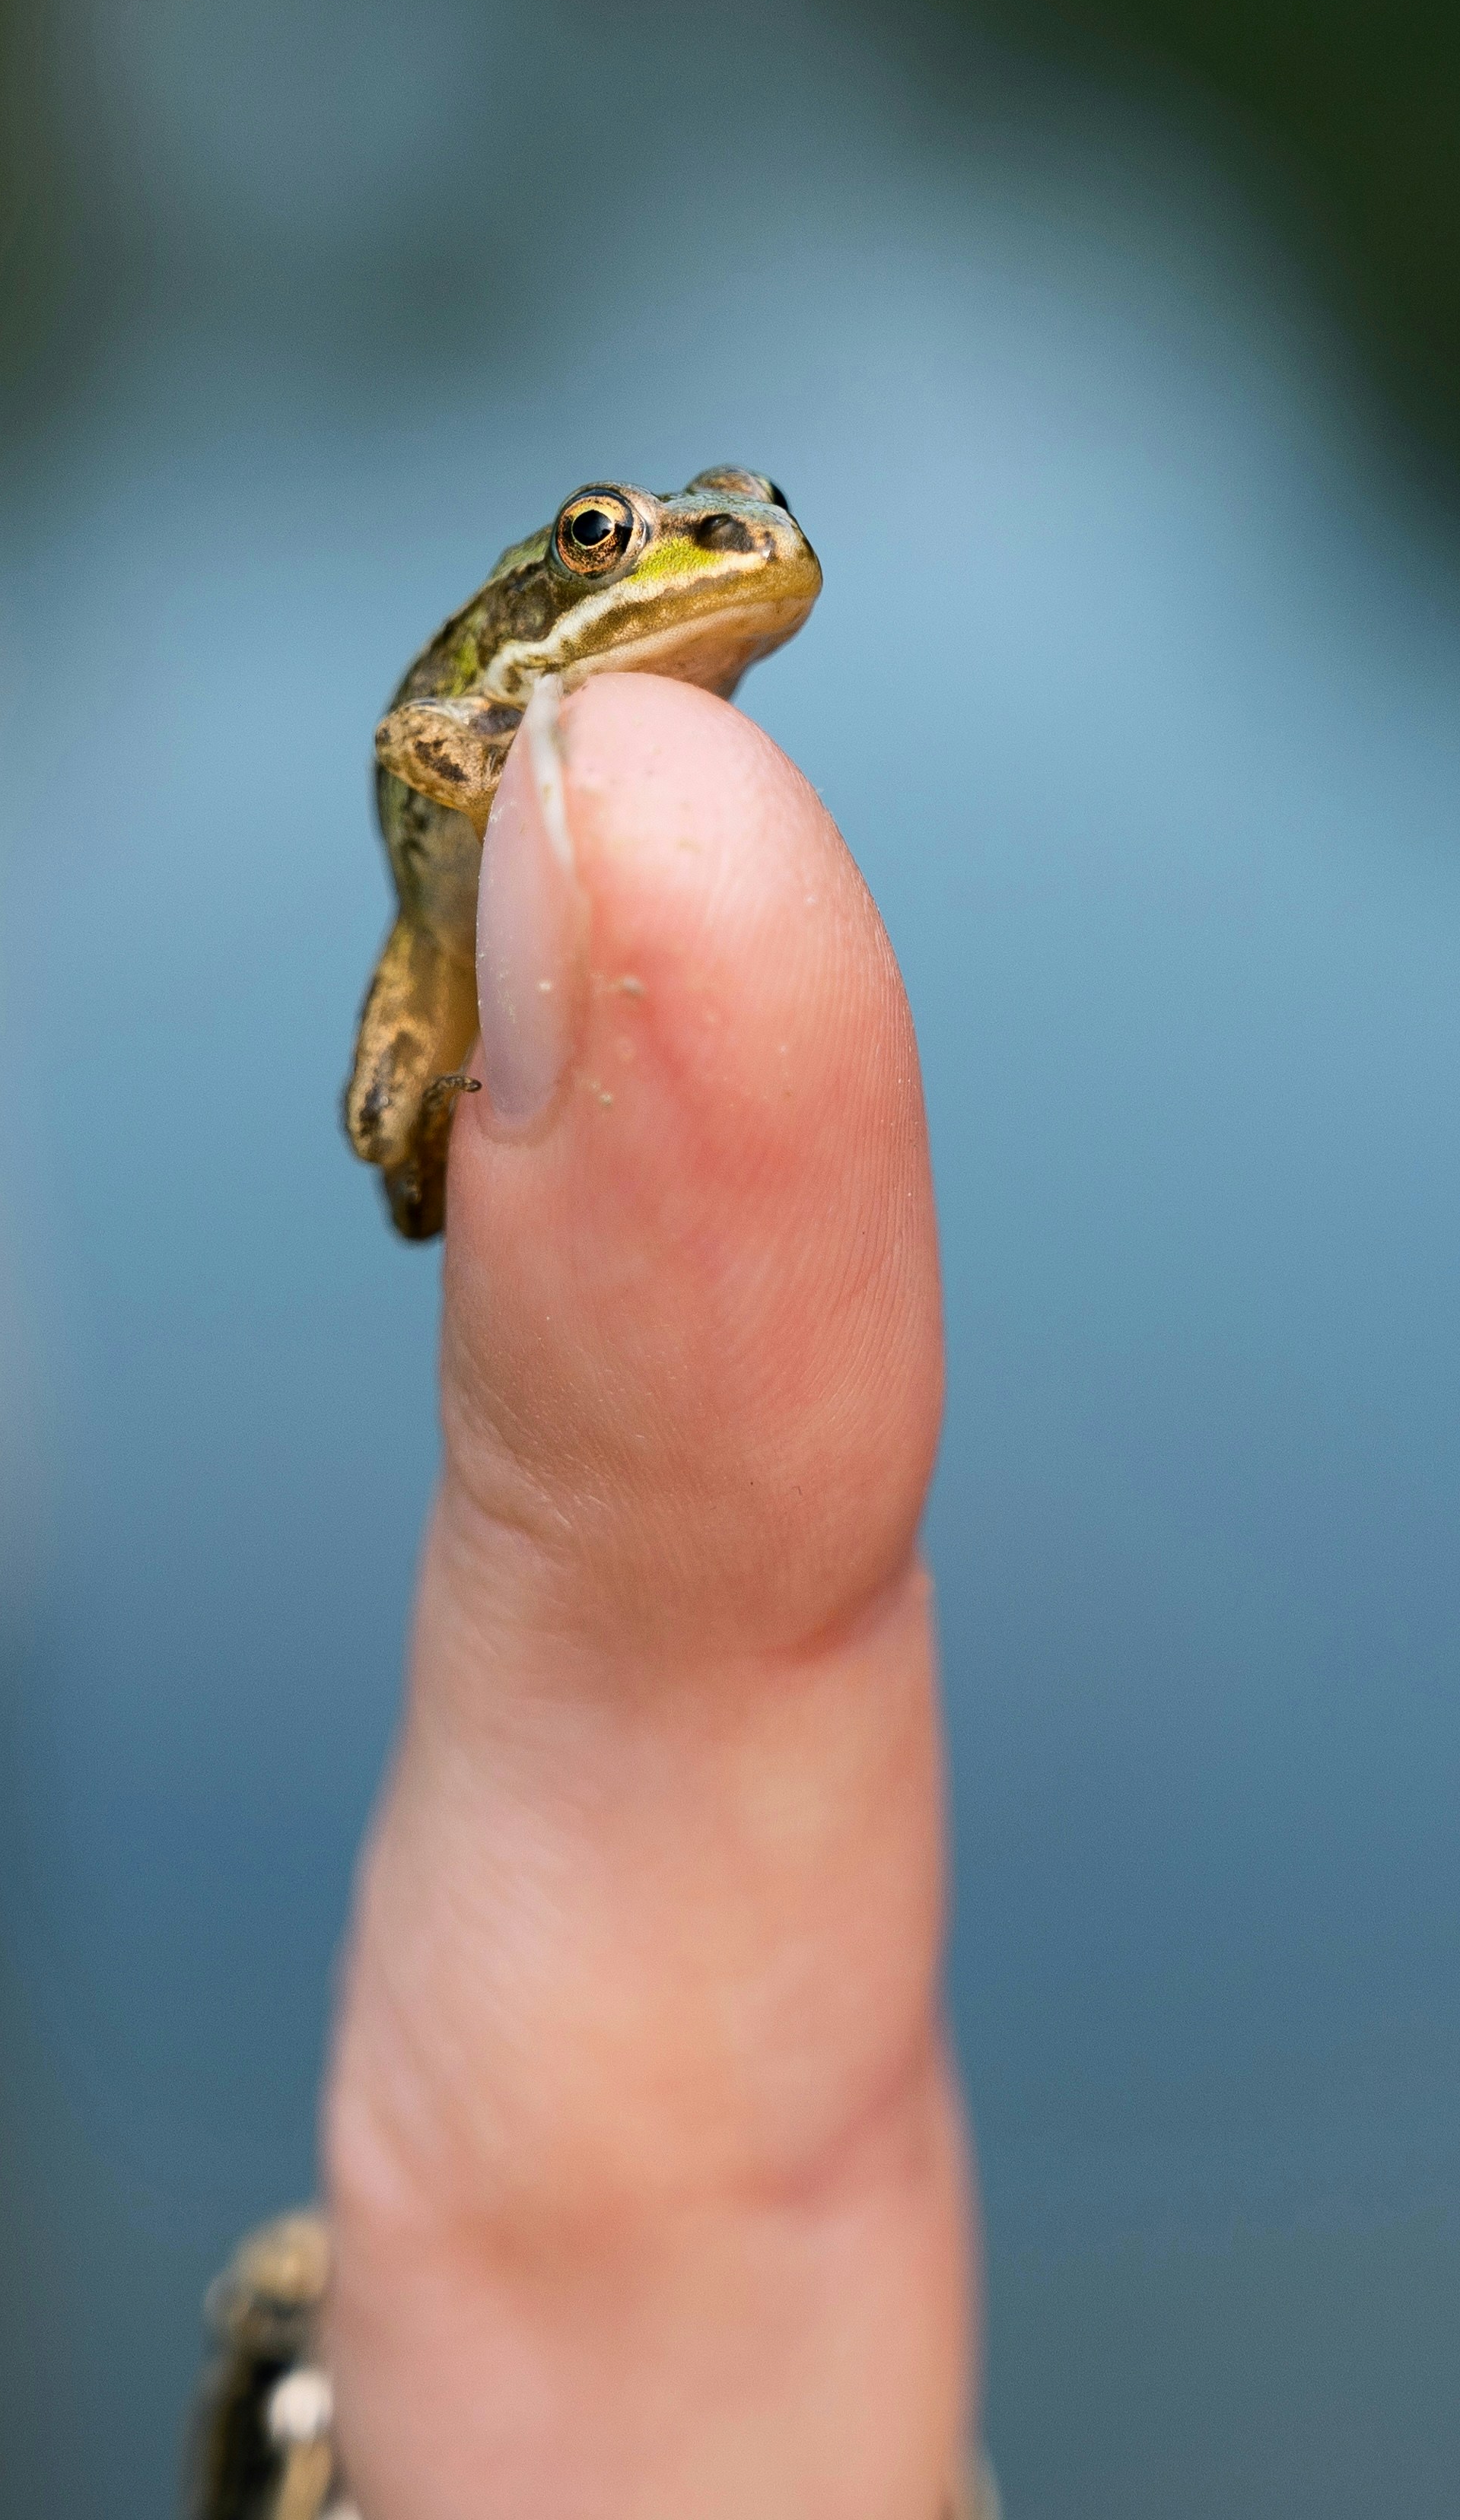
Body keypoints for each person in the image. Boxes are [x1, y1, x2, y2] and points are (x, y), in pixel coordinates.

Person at [323, 672, 978, 2516]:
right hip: (450, 949)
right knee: (387, 1117)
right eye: (626, 536)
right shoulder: (506, 711)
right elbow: (409, 741)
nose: (722, 545)